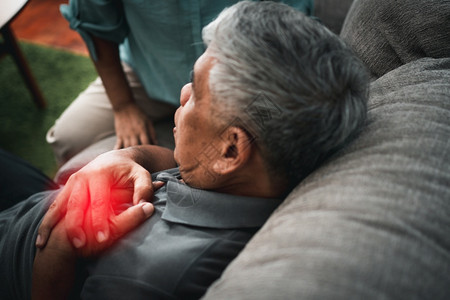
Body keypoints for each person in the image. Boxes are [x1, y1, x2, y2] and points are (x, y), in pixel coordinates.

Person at [0, 1, 368, 299]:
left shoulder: (150, 275)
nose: (182, 94)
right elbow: (185, 168)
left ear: (230, 151)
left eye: (196, 88)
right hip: (31, 210)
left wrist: (65, 240)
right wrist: (130, 157)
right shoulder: (248, 180)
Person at [46, 0, 313, 166]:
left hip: (240, 83)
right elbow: (94, 22)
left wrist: (256, 111)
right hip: (145, 69)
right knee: (68, 138)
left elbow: (291, 39)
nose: (186, 95)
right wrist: (123, 105)